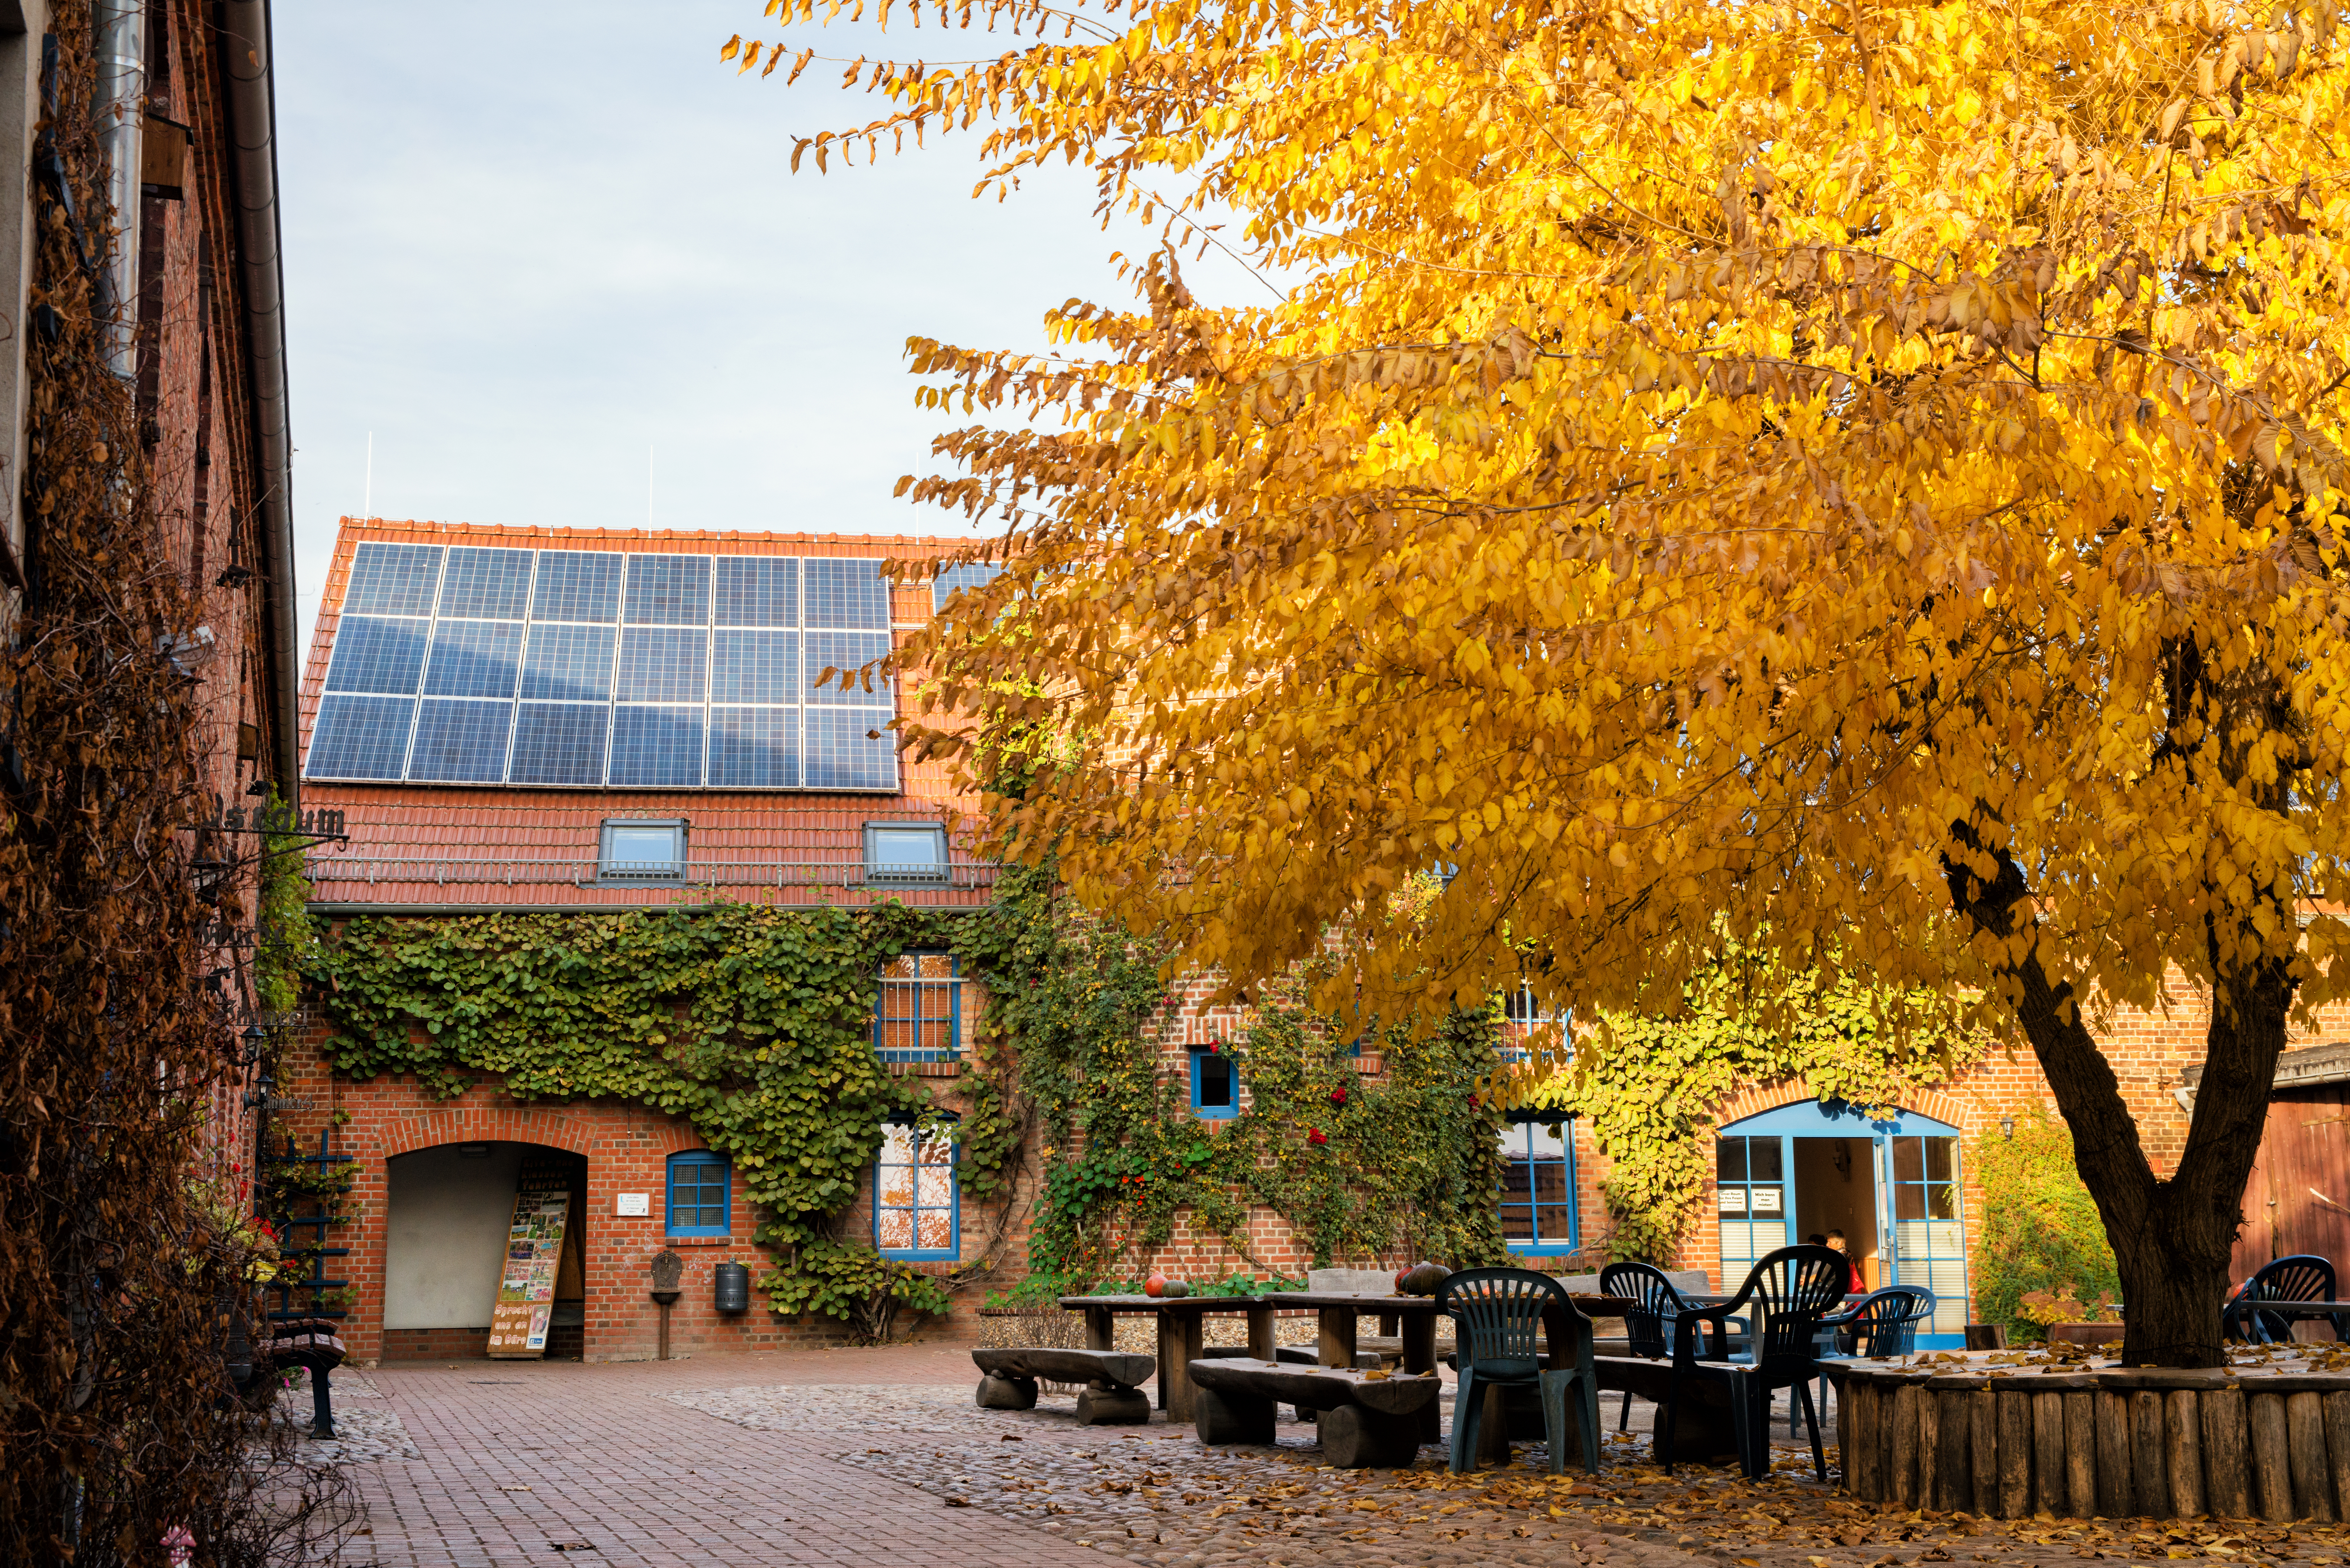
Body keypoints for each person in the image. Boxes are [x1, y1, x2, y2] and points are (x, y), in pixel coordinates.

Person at [1825, 1229, 1865, 1294]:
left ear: (1840, 1243)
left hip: (1831, 1290)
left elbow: (1823, 1277)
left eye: (1830, 1242)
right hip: (1838, 1288)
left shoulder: (1838, 1257)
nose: (1827, 1245)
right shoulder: (1846, 1254)